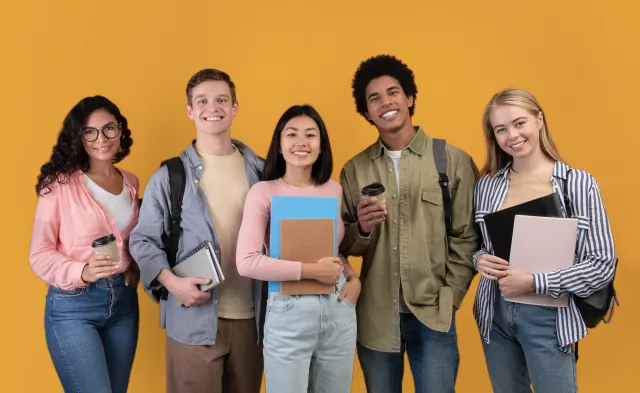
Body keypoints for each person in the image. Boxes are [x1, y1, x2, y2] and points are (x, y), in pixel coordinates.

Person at [339, 54, 480, 393]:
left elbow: (468, 237)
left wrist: (451, 296)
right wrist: (363, 229)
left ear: (410, 98)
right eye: (374, 98)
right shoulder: (353, 170)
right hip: (375, 317)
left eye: (393, 92)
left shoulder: (453, 160)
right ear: (366, 111)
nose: (386, 102)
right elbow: (342, 246)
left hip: (434, 315)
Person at [472, 87, 617, 393]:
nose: (512, 135)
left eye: (519, 122)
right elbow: (480, 246)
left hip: (549, 317)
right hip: (495, 314)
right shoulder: (486, 185)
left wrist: (534, 282)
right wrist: (479, 260)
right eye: (501, 129)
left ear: (539, 119)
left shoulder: (578, 184)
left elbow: (602, 265)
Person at [129, 68, 264, 393]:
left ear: (234, 106)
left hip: (253, 322)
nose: (212, 107)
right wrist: (172, 283)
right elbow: (143, 239)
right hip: (193, 319)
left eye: (221, 99)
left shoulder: (263, 170)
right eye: (201, 101)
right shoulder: (170, 176)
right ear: (190, 110)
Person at [236, 104, 360, 393]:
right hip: (289, 310)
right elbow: (247, 262)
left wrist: (353, 278)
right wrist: (313, 271)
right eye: (291, 134)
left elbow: (332, 249)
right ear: (279, 145)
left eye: (310, 134)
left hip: (338, 308)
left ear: (321, 144)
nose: (301, 142)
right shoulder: (264, 192)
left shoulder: (333, 189)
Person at [29, 96, 140, 393]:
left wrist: (136, 266)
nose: (101, 139)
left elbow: (134, 239)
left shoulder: (131, 182)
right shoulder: (59, 185)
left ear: (120, 131)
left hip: (124, 304)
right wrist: (83, 271)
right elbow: (39, 254)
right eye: (90, 132)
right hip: (73, 307)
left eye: (109, 129)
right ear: (78, 137)